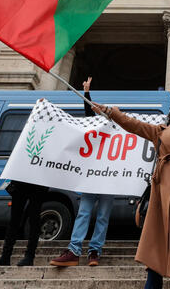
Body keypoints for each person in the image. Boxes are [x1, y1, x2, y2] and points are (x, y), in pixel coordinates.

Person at [88, 98, 170, 289]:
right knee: (156, 247)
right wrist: (110, 111)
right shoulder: (159, 132)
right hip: (161, 194)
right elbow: (133, 125)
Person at [51, 77, 115, 267]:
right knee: (84, 213)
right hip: (92, 178)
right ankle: (74, 249)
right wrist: (86, 93)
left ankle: (95, 251)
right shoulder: (93, 128)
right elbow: (88, 115)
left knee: (103, 216)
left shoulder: (118, 130)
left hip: (110, 179)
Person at [0, 180, 49, 266]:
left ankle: (29, 256)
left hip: (37, 183)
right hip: (22, 182)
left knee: (33, 220)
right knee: (15, 220)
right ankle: (6, 257)